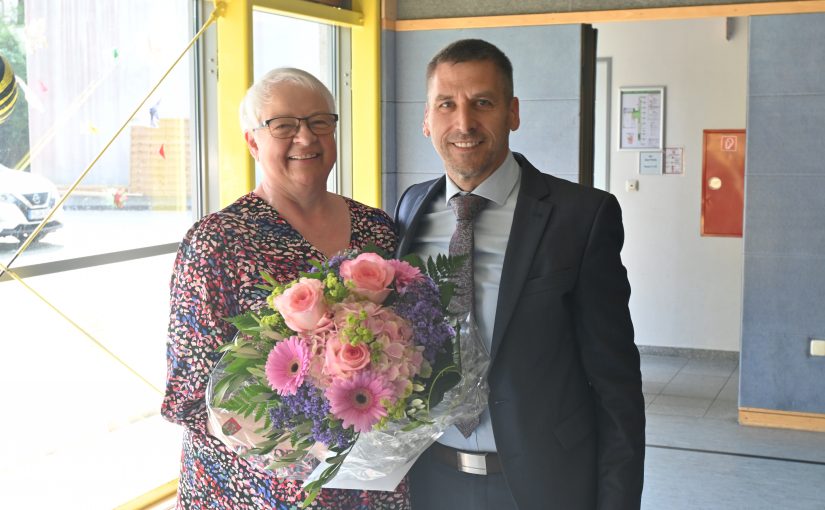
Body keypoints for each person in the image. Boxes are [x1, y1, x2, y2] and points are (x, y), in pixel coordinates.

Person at [395, 39, 645, 510]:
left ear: (512, 112)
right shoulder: (411, 208)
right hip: (430, 480)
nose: (464, 123)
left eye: (482, 103)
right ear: (427, 120)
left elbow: (617, 389)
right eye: (447, 104)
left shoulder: (582, 217)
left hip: (542, 485)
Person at [162, 68, 409, 509]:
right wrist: (296, 444)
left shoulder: (378, 229)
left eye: (320, 123)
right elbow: (188, 394)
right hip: (256, 492)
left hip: (369, 482)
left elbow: (414, 345)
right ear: (253, 141)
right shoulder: (217, 242)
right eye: (284, 126)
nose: (305, 138)